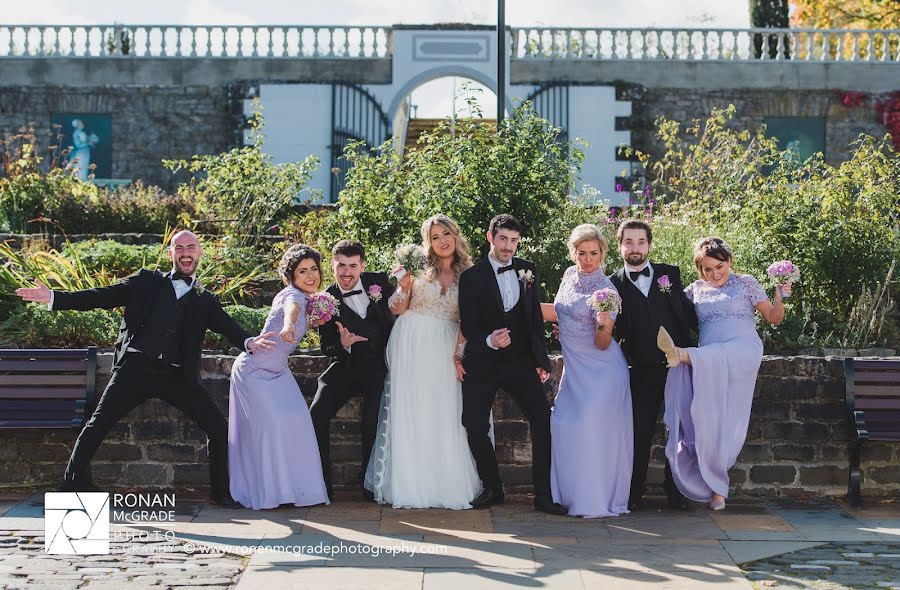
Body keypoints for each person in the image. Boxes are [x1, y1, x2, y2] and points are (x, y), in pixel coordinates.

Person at [15, 230, 276, 507]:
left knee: (218, 427)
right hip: (135, 369)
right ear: (170, 254)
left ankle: (220, 492)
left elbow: (227, 326)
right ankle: (72, 485)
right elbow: (101, 296)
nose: (185, 252)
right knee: (97, 424)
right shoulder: (146, 281)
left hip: (177, 375)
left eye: (191, 247)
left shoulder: (204, 299)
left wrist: (249, 341)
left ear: (199, 253)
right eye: (179, 248)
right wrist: (54, 297)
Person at [658, 237, 791, 511]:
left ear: (729, 261)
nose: (715, 274)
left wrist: (780, 294)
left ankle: (682, 355)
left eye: (720, 266)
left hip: (741, 352)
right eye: (707, 269)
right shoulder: (694, 290)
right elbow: (671, 311)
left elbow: (774, 318)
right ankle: (718, 490)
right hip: (711, 363)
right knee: (711, 422)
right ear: (699, 269)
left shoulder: (746, 283)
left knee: (725, 406)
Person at [364, 215, 483, 509]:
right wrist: (404, 285)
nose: (442, 240)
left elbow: (469, 320)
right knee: (412, 409)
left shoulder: (470, 274)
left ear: (455, 236)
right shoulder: (418, 268)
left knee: (446, 410)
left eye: (446, 234)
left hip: (446, 344)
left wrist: (459, 353)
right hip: (412, 342)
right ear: (427, 242)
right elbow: (399, 308)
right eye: (434, 236)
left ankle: (443, 483)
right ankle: (410, 483)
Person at [458, 213, 566, 515]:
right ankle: (493, 487)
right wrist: (489, 340)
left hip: (520, 362)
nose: (509, 246)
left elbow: (532, 318)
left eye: (514, 240)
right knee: (474, 424)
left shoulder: (527, 270)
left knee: (543, 421)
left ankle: (543, 496)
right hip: (483, 362)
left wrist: (540, 359)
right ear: (490, 237)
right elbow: (468, 323)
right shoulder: (471, 277)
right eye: (503, 239)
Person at [228, 244, 330, 509]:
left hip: (278, 371)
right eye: (302, 271)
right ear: (291, 277)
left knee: (299, 421)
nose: (310, 276)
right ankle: (271, 494)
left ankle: (302, 492)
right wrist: (287, 326)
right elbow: (291, 311)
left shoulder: (311, 300)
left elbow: (307, 315)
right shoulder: (292, 295)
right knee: (270, 428)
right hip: (253, 372)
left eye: (314, 269)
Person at [541, 224, 633, 518]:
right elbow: (561, 310)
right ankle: (568, 496)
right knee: (563, 425)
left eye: (594, 253)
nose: (588, 259)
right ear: (574, 253)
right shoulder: (568, 276)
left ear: (603, 253)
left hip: (602, 371)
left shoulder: (607, 289)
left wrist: (604, 322)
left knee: (589, 427)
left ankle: (593, 499)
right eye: (582, 253)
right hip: (574, 371)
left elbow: (603, 343)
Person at [609, 219, 696, 511]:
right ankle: (634, 493)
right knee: (640, 432)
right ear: (619, 245)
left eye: (641, 242)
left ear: (649, 244)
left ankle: (677, 491)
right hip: (640, 371)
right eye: (629, 242)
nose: (635, 248)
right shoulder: (612, 284)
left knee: (679, 431)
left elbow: (686, 314)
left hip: (676, 367)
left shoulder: (668, 274)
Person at [309, 240, 395, 501]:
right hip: (345, 367)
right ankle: (322, 483)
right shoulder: (325, 299)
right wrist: (342, 345)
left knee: (373, 421)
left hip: (377, 368)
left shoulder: (378, 282)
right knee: (316, 415)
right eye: (341, 266)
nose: (346, 273)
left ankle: (370, 484)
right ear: (332, 265)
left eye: (352, 266)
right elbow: (327, 346)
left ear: (362, 266)